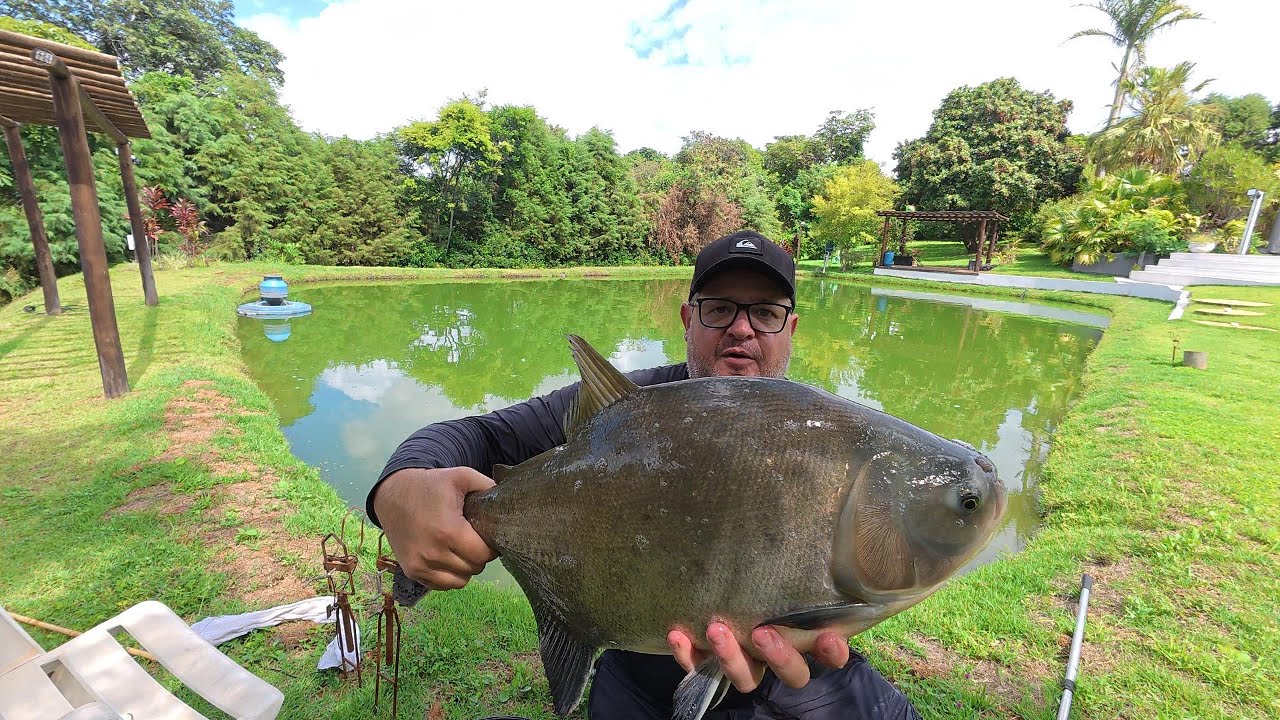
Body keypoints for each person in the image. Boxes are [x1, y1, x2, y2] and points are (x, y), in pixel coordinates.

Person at [367, 230, 923, 719]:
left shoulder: (829, 433)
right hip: (640, 672)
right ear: (688, 317)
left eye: (766, 313)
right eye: (719, 308)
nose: (742, 330)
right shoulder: (628, 409)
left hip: (799, 669)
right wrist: (400, 485)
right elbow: (481, 435)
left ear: (791, 327)